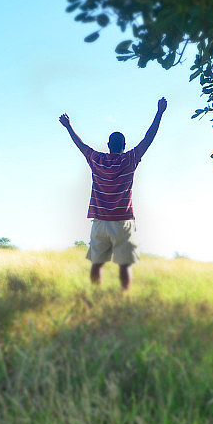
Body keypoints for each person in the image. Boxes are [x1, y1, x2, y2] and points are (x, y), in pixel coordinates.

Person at [59, 97, 167, 291]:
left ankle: (96, 296)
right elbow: (148, 138)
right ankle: (124, 297)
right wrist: (159, 113)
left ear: (108, 144)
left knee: (97, 264)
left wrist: (68, 127)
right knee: (124, 266)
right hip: (123, 220)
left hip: (100, 220)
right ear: (124, 144)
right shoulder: (130, 159)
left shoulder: (97, 160)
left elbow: (81, 145)